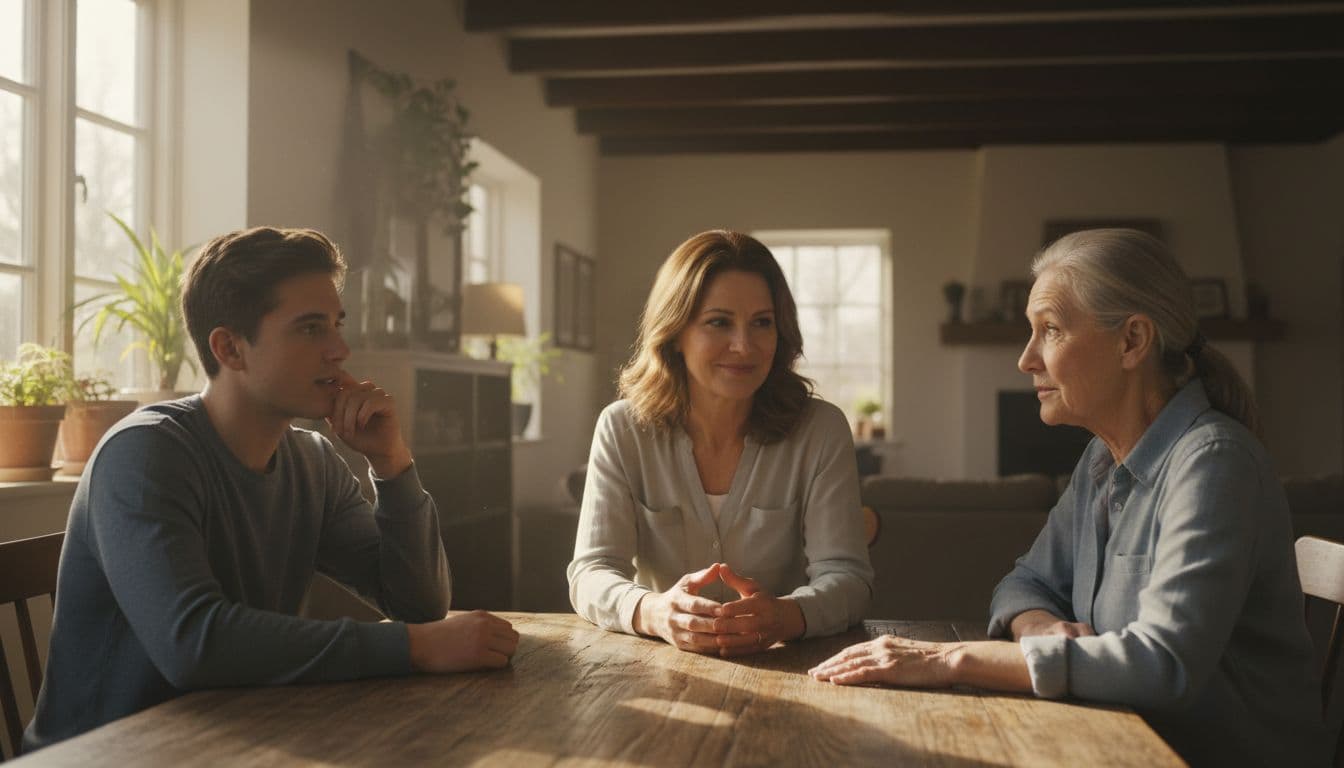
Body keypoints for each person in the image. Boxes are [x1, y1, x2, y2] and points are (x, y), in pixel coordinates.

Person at [809, 228, 1325, 765]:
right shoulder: (1102, 460)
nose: (1026, 359)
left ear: (1132, 341)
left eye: (1050, 330)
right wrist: (1045, 631)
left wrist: (952, 658)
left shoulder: (1214, 462)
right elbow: (1024, 581)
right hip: (1113, 743)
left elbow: (1165, 663)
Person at [24, 227, 519, 753]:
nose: (340, 350)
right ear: (230, 348)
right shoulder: (145, 454)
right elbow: (195, 643)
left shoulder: (312, 461)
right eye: (310, 329)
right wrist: (413, 648)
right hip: (105, 757)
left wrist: (391, 464)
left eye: (336, 324)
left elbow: (417, 604)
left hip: (236, 739)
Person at [568, 230, 873, 656]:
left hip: (791, 668)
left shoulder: (821, 430)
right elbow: (591, 572)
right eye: (719, 322)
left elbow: (849, 580)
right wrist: (654, 611)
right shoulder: (622, 429)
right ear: (675, 332)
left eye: (762, 323)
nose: (744, 346)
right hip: (655, 669)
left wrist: (786, 615)